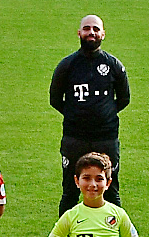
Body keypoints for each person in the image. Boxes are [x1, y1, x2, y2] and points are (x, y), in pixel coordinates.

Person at [50, 14, 130, 214]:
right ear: (79, 33)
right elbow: (55, 99)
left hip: (106, 138)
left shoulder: (113, 65)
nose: (91, 32)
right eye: (86, 28)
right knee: (70, 191)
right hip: (74, 138)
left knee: (111, 190)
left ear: (103, 34)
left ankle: (114, 236)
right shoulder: (67, 66)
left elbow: (124, 98)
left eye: (95, 29)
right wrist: (75, 115)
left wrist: (104, 115)